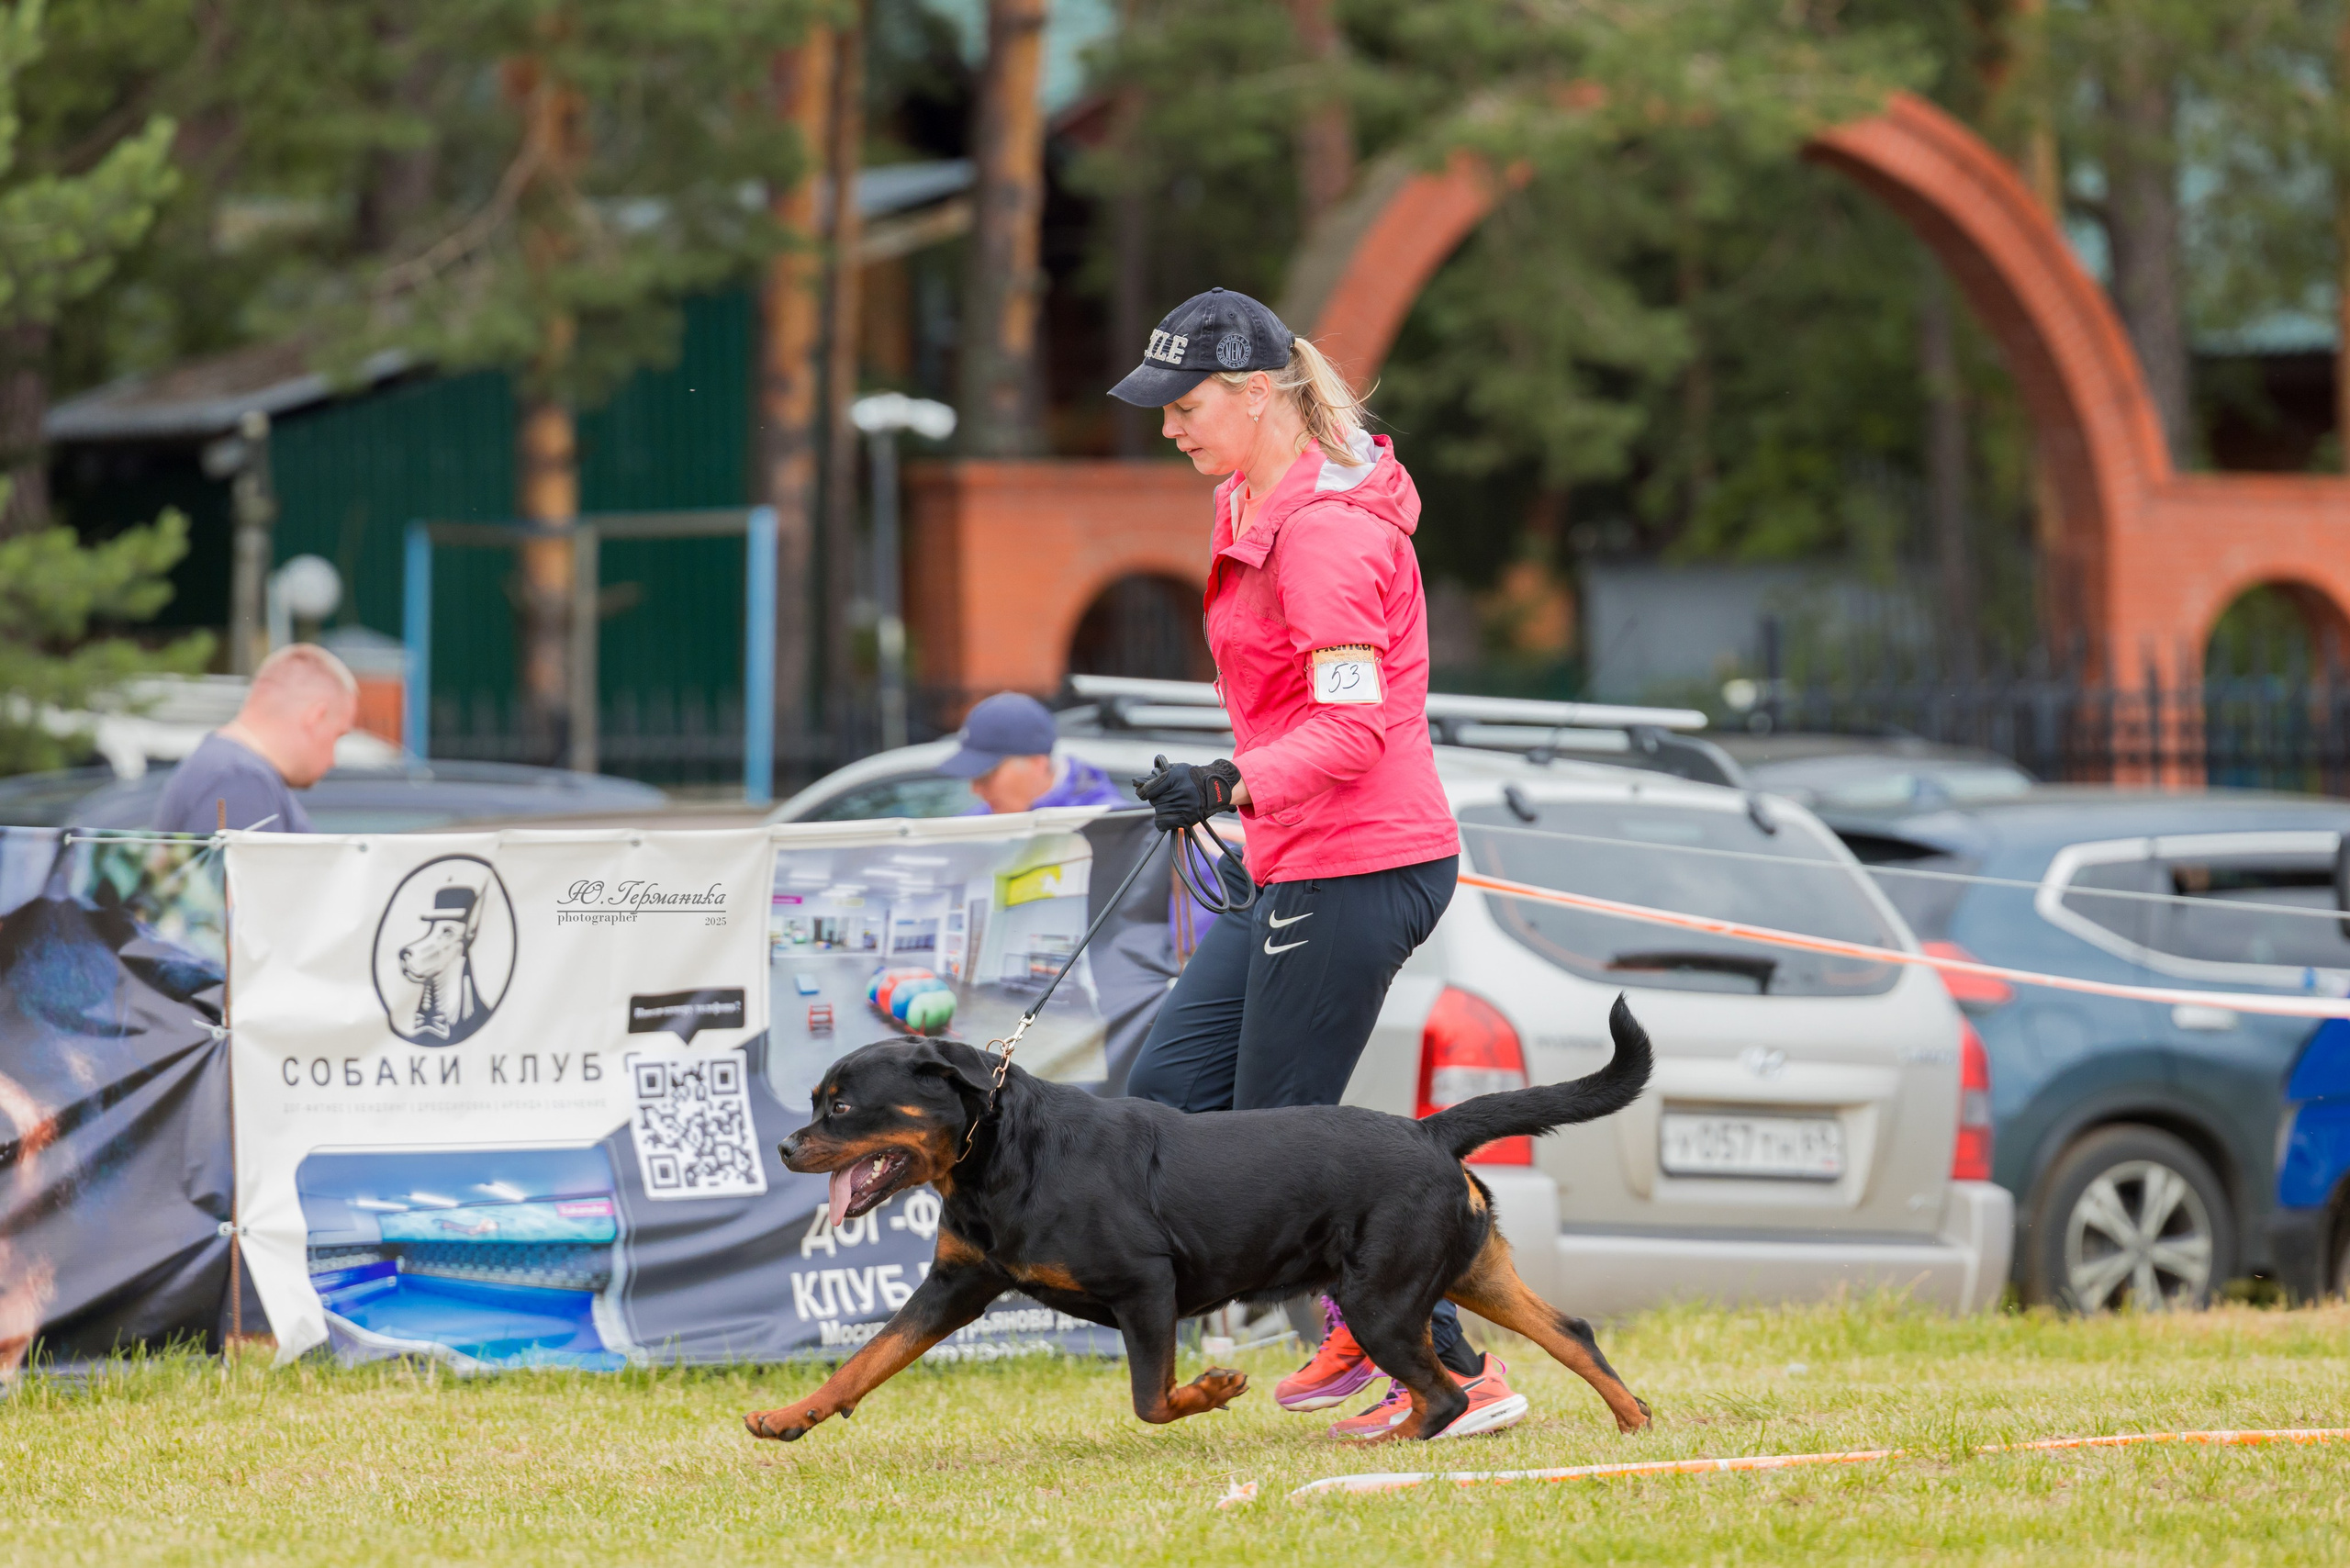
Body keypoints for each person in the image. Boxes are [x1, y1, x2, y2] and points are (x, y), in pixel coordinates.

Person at [1112, 287, 1524, 1439]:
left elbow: (1352, 731)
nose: (1168, 428)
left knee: (1281, 1146)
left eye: (1186, 406)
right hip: (1295, 856)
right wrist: (1233, 781)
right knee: (1164, 1100)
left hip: (1359, 860)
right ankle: (1360, 1323)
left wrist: (1228, 784)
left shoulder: (1328, 532)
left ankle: (1449, 1372)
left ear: (1257, 393)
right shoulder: (1246, 497)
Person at [153, 644, 358, 834]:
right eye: (338, 735)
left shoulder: (232, 771)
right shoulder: (240, 780)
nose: (333, 760)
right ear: (316, 717)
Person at [940, 691, 1125, 813]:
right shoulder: (975, 827)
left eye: (986, 775)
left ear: (1037, 764)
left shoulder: (1111, 830)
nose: (975, 790)